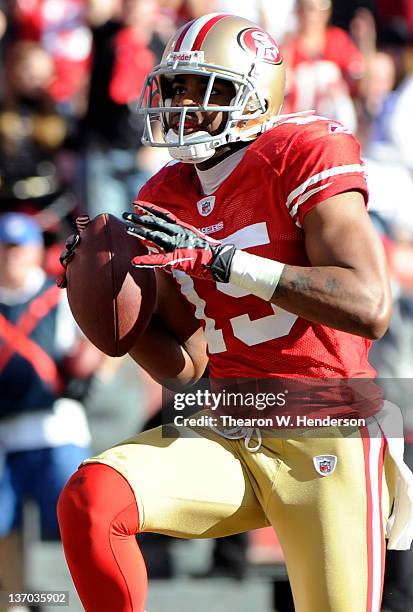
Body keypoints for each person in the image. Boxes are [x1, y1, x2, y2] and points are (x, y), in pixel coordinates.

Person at [57, 13, 413, 612]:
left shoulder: (303, 151)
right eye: (176, 90)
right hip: (230, 428)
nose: (184, 107)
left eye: (205, 89)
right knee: (93, 498)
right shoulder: (163, 194)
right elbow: (187, 366)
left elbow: (370, 305)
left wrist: (228, 263)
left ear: (256, 94)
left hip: (325, 435)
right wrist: (105, 308)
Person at [0, 212, 100, 598]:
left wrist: (90, 374)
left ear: (34, 251)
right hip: (5, 432)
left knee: (83, 518)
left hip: (55, 428)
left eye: (19, 248)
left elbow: (102, 337)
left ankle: (98, 597)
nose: (12, 257)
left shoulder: (58, 293)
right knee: (3, 526)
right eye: (5, 249)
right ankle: (15, 599)